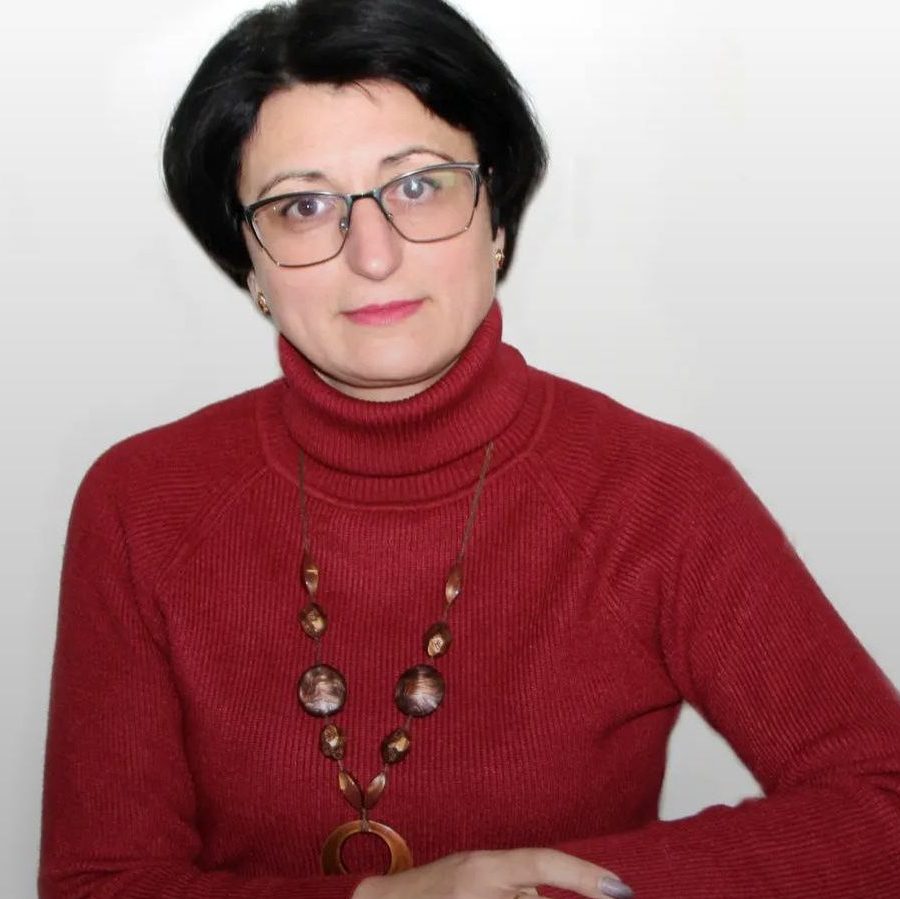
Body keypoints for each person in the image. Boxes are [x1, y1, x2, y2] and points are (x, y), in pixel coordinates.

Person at [38, 0, 900, 897]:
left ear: (497, 218)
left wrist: (541, 891)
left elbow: (884, 805)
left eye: (419, 186)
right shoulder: (143, 503)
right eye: (303, 206)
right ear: (249, 263)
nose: (373, 255)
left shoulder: (657, 493)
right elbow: (99, 884)